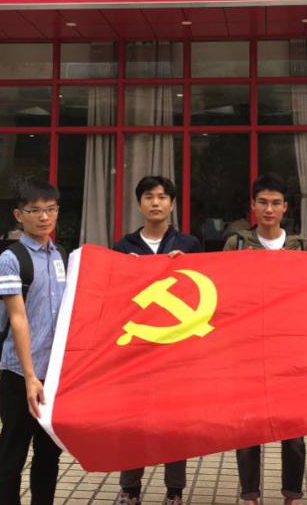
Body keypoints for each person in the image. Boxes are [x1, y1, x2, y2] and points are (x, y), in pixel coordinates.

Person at [112, 175, 201, 505]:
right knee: (132, 421)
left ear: (172, 204)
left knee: (174, 422)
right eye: (148, 196)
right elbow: (114, 299)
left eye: (163, 197)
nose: (155, 202)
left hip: (177, 349)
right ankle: (130, 488)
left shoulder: (189, 245)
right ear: (139, 204)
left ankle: (174, 490)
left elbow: (202, 291)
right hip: (137, 349)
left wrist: (184, 266)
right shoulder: (123, 248)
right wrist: (128, 272)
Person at [224, 173, 307, 505]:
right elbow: (220, 290)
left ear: (286, 207)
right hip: (247, 348)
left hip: (290, 349)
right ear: (253, 205)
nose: (269, 209)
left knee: (294, 431)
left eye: (276, 203)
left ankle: (292, 494)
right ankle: (250, 495)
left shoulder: (301, 245)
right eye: (263, 202)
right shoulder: (236, 244)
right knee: (248, 428)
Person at [0, 177, 67, 505]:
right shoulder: (11, 259)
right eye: (35, 210)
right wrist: (31, 376)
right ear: (19, 215)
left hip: (53, 376)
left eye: (51, 209)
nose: (44, 217)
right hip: (20, 375)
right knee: (13, 455)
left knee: (49, 455)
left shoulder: (60, 255)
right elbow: (18, 319)